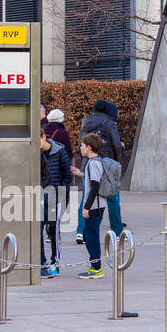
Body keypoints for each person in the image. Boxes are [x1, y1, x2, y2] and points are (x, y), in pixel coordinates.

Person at [80, 99, 124, 237]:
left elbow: (80, 144)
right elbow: (117, 145)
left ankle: (81, 232)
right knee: (112, 198)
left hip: (88, 163)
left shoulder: (85, 123)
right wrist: (116, 161)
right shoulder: (110, 124)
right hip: (106, 165)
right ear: (106, 110)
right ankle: (117, 231)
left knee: (86, 197)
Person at [73, 133, 107, 278]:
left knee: (91, 236)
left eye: (81, 146)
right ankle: (94, 264)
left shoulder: (93, 163)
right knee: (89, 234)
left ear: (88, 147)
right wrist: (80, 174)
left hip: (94, 205)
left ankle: (96, 267)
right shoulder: (95, 162)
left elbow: (94, 187)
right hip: (96, 204)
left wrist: (86, 207)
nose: (80, 148)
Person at [39, 128, 71, 278]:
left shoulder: (59, 151)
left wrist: (60, 193)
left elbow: (68, 175)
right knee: (38, 231)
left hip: (55, 197)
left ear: (44, 137)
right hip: (40, 198)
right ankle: (42, 263)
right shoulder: (35, 153)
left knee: (53, 231)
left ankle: (55, 263)